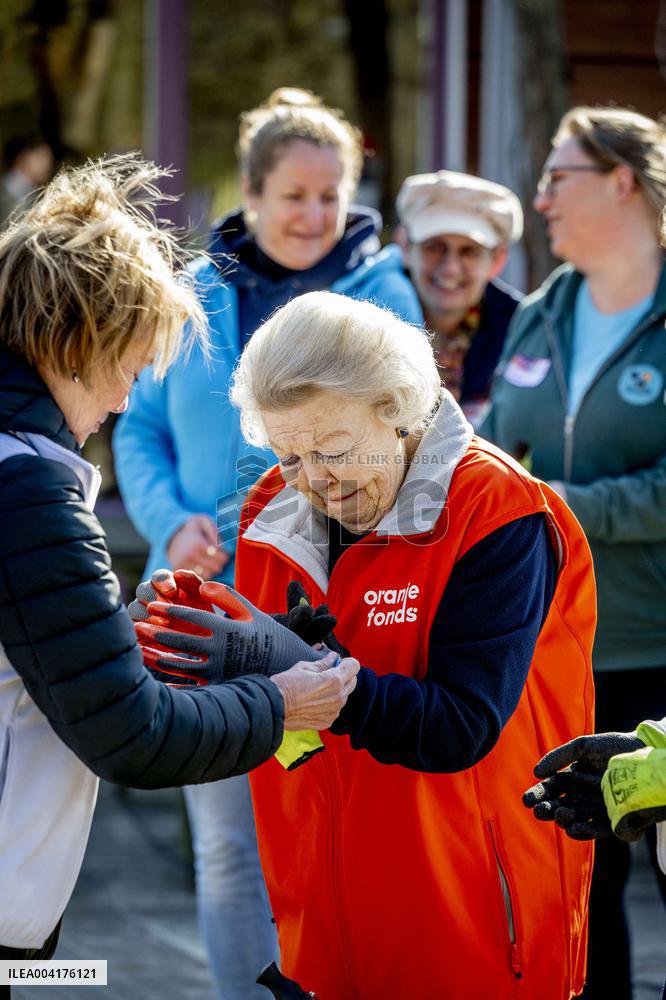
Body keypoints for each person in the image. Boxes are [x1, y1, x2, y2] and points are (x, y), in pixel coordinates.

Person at [133, 290, 597, 1000]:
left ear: (400, 406)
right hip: (319, 926)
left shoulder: (498, 510)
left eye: (334, 450)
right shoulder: (271, 508)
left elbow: (458, 729)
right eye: (288, 455)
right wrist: (201, 669)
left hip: (471, 927)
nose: (314, 482)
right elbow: (283, 732)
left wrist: (313, 679)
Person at [0, 156, 358, 992]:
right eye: (133, 361)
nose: (128, 396)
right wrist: (281, 703)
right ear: (81, 338)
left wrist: (111, 636)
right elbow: (133, 738)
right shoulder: (30, 490)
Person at [112, 87, 422, 1000]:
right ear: (250, 194)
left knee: (340, 824)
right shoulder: (194, 295)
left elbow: (408, 441)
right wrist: (169, 517)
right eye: (295, 194)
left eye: (332, 194)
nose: (315, 215)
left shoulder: (383, 293)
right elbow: (140, 432)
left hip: (336, 602)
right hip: (209, 598)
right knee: (228, 841)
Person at [480, 106, 666, 999]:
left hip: (656, 654)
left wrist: (552, 509)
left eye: (560, 178)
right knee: (577, 895)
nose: (542, 198)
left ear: (622, 181)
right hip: (553, 652)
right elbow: (497, 451)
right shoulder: (541, 313)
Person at [396, 169, 523, 426]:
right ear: (406, 248)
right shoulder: (367, 312)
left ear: (497, 260)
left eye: (469, 252)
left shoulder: (522, 327)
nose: (450, 268)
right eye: (434, 247)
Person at [0, 134, 54, 226]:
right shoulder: (10, 192)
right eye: (40, 158)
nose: (47, 165)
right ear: (22, 158)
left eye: (49, 159)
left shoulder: (30, 192)